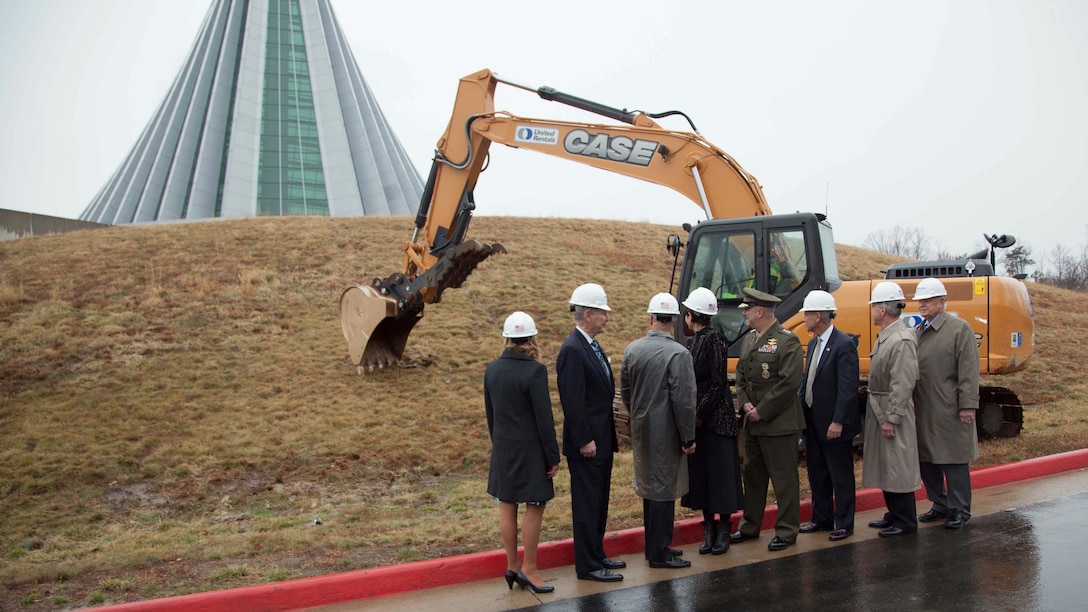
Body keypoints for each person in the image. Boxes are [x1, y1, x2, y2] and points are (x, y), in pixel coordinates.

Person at [484, 311, 561, 594]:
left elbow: (491, 415)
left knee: (507, 503)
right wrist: (552, 457)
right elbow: (544, 419)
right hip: (531, 452)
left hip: (503, 449)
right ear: (532, 338)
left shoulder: (491, 369)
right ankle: (530, 568)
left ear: (506, 338)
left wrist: (500, 444)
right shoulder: (535, 371)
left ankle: (512, 565)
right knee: (535, 505)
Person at [621, 292, 697, 569]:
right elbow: (684, 401)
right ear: (675, 320)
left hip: (642, 428)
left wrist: (638, 416)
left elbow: (626, 393)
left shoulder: (632, 350)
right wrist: (688, 436)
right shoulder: (678, 353)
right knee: (664, 490)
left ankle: (655, 545)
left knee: (650, 489)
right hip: (668, 431)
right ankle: (659, 552)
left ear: (651, 318)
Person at [556, 283, 625, 583]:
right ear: (587, 314)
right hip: (588, 444)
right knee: (586, 504)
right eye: (602, 313)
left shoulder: (592, 346)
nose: (606, 318)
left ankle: (597, 553)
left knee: (599, 500)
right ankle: (586, 564)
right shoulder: (572, 350)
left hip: (602, 440)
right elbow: (573, 400)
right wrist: (584, 439)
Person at [728, 287, 805, 552]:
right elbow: (740, 375)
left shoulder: (787, 341)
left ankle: (786, 530)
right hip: (753, 422)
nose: (745, 315)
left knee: (783, 479)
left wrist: (763, 409)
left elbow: (789, 382)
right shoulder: (750, 339)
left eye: (747, 310)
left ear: (759, 311)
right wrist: (746, 403)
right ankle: (750, 526)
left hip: (777, 423)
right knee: (753, 477)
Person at [912, 277, 980, 529]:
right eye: (920, 301)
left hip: (950, 409)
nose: (922, 305)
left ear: (942, 301)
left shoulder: (959, 329)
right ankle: (940, 504)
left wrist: (967, 404)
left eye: (928, 300)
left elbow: (969, 371)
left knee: (954, 461)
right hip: (924, 408)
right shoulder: (919, 330)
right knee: (927, 460)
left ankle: (960, 509)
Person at [679, 287, 743, 555]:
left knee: (721, 479)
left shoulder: (714, 339)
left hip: (716, 422)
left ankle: (724, 529)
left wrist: (699, 416)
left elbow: (718, 384)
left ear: (693, 315)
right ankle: (709, 529)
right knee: (703, 478)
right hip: (702, 423)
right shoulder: (696, 342)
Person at [797, 290, 861, 542]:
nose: (804, 319)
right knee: (817, 472)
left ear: (819, 315)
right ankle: (821, 517)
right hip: (814, 421)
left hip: (834, 424)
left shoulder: (843, 344)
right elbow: (808, 380)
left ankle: (844, 522)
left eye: (807, 314)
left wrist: (838, 421)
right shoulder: (813, 343)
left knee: (840, 474)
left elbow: (847, 389)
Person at [862, 281, 921, 537]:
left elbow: (903, 382)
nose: (872, 310)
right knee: (887, 463)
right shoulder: (889, 336)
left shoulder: (901, 339)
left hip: (891, 409)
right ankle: (894, 513)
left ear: (883, 309)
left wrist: (893, 418)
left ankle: (906, 520)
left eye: (874, 306)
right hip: (881, 407)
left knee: (898, 464)